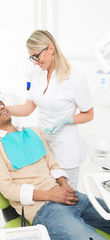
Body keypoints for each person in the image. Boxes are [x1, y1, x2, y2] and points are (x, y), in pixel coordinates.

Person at [0, 98, 109, 240]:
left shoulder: (33, 132)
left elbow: (52, 165)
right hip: (44, 209)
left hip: (67, 196)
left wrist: (65, 187)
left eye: (1, 104)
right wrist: (52, 195)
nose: (1, 107)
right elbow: (8, 189)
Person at [6, 30, 94, 190]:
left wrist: (67, 120)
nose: (34, 62)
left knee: (67, 195)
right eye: (31, 57)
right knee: (49, 193)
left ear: (51, 49)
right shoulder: (38, 75)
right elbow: (27, 108)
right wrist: (2, 109)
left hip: (66, 150)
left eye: (36, 56)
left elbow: (89, 114)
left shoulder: (75, 79)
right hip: (44, 147)